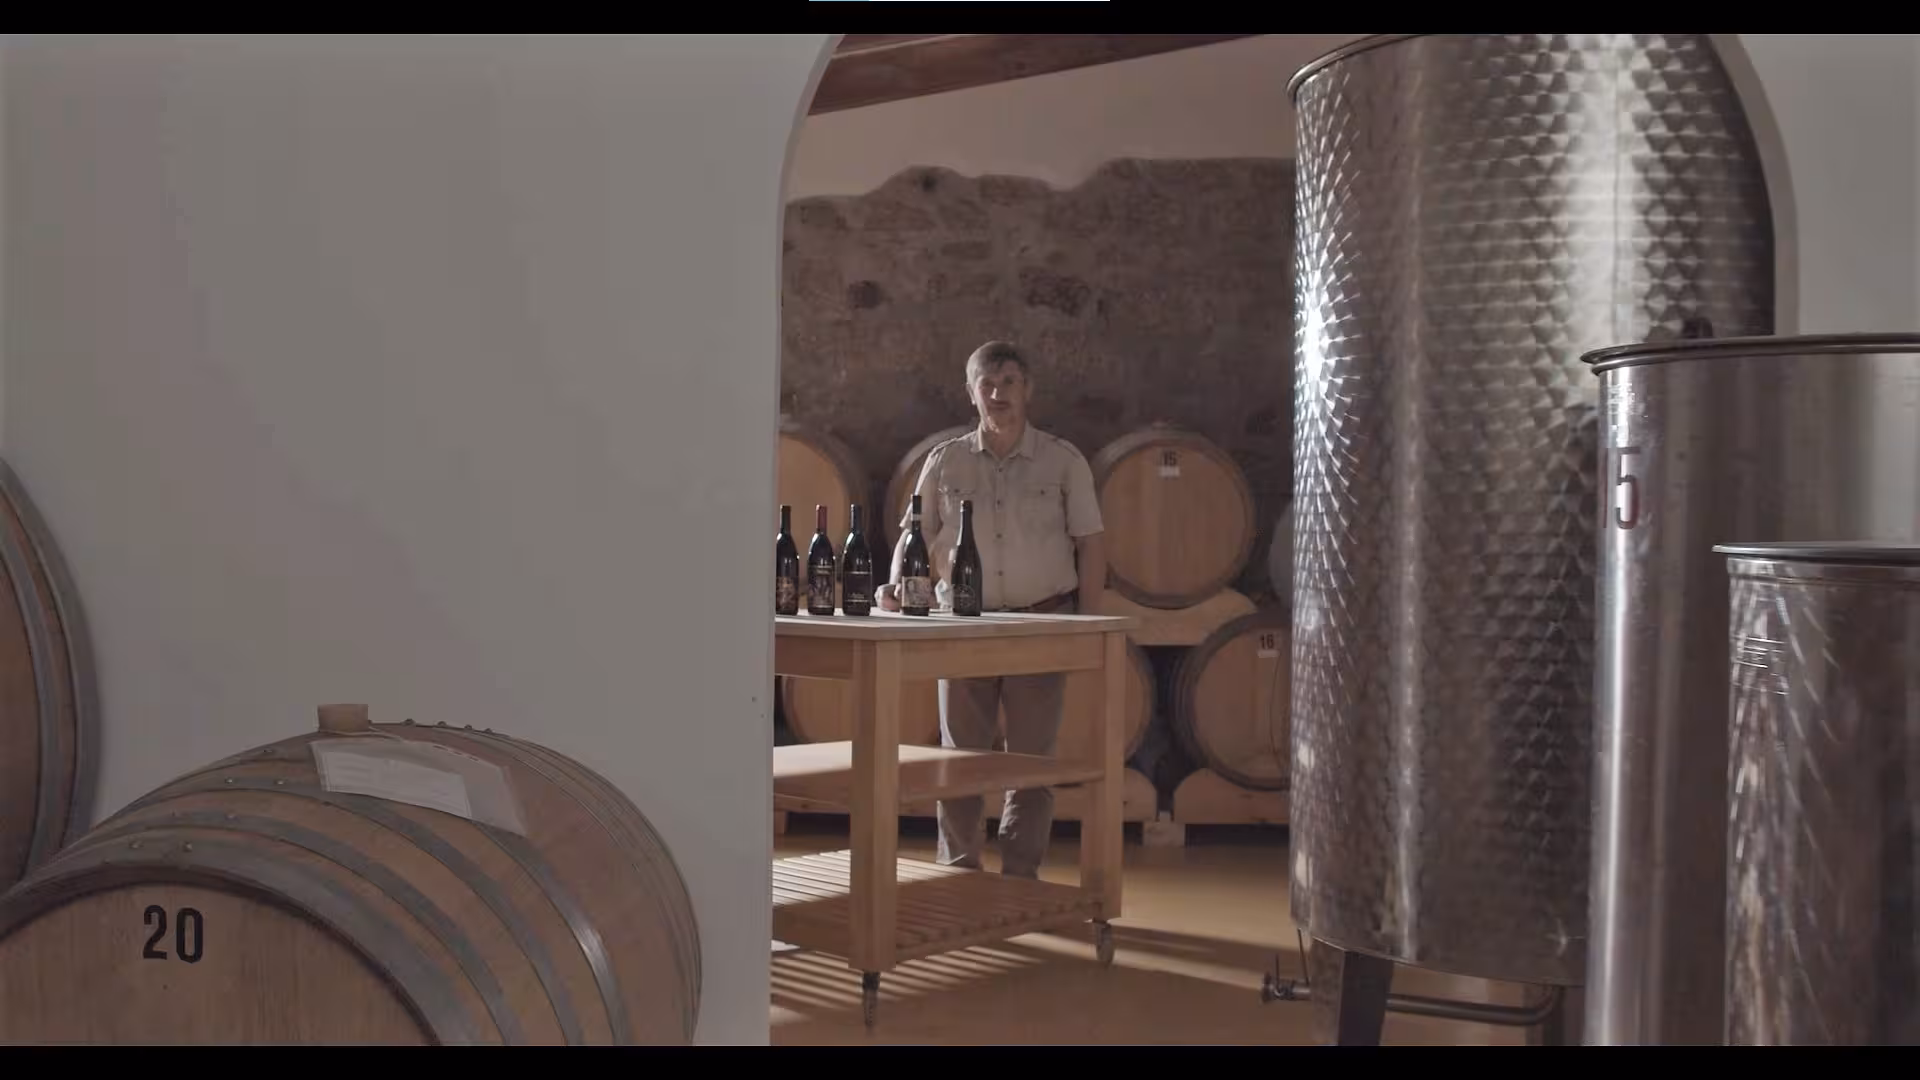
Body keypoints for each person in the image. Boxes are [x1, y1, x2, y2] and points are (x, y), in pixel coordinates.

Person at [874, 340, 1107, 879]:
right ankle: (958, 871)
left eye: (1009, 382)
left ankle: (1020, 877)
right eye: (988, 383)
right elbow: (915, 535)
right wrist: (892, 587)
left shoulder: (1062, 460)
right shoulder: (945, 461)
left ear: (1028, 390)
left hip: (1042, 622)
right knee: (959, 763)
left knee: (1031, 764)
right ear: (971, 392)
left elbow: (1091, 544)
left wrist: (1089, 626)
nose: (998, 393)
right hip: (962, 627)